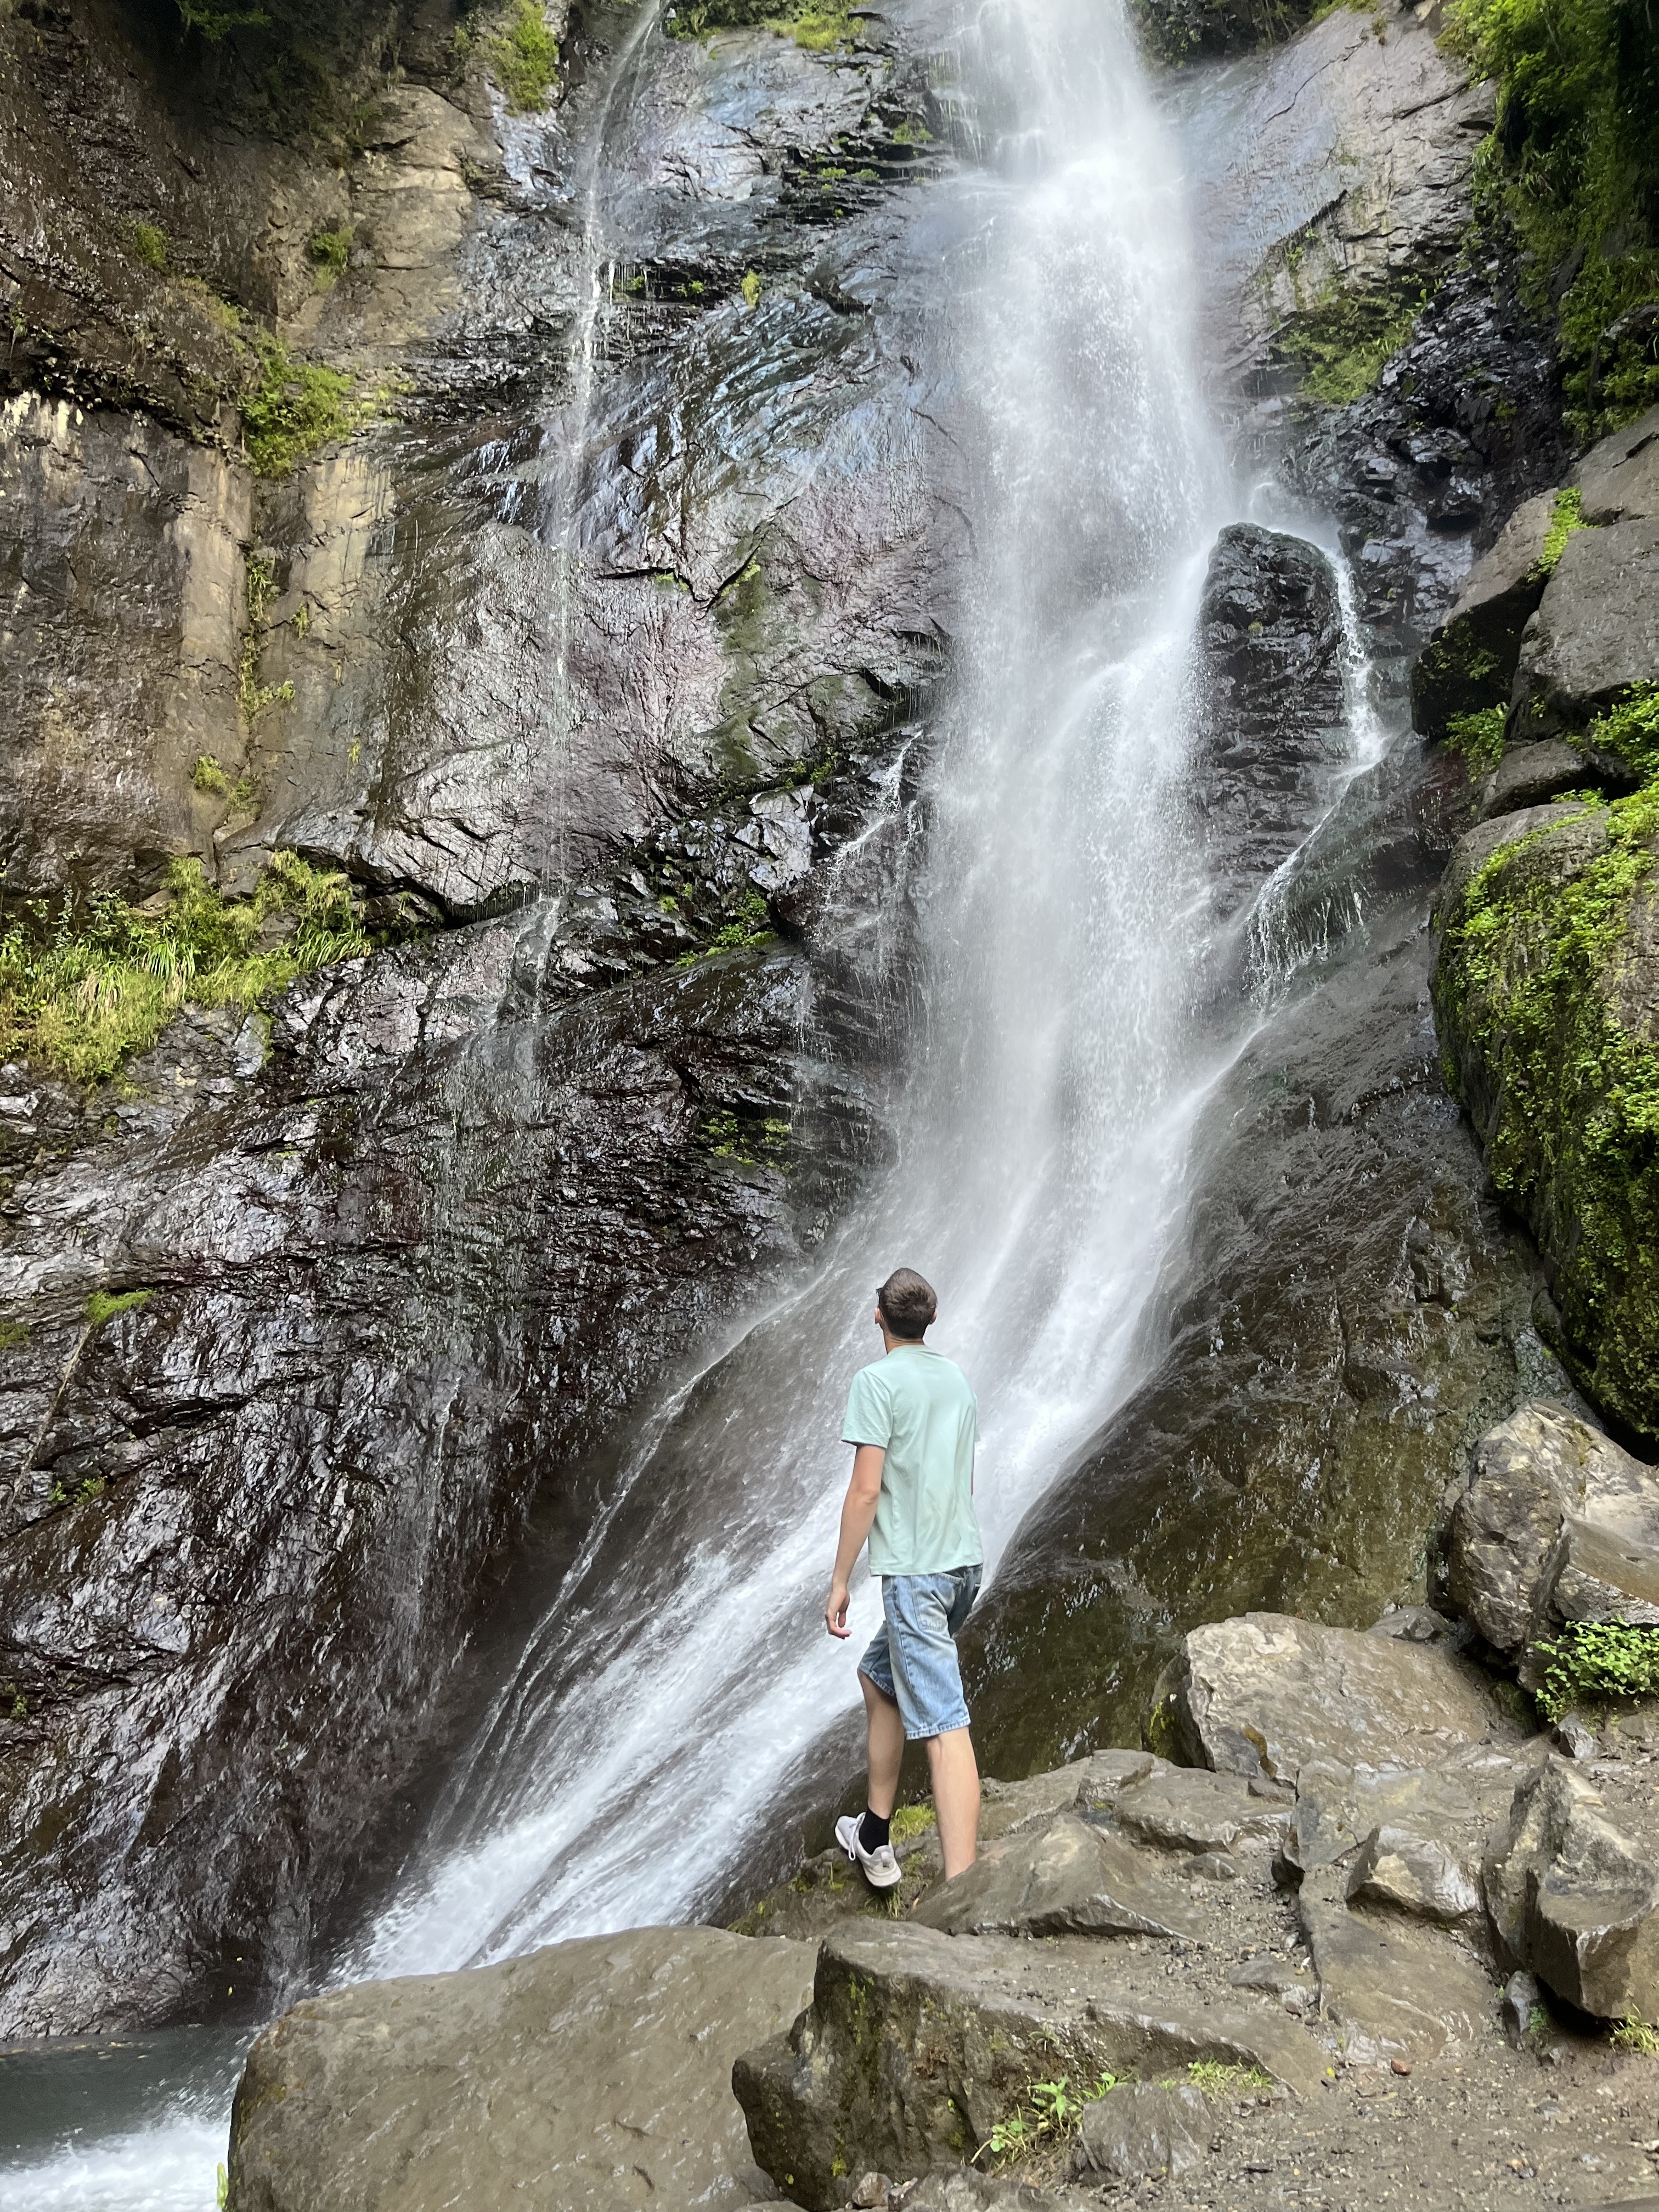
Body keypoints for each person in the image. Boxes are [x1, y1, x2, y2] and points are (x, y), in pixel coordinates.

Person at [823, 1266, 983, 1890]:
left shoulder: (876, 1382)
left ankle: (965, 1888)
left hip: (917, 1576)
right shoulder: (958, 1381)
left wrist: (840, 1580)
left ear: (878, 1318)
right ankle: (873, 1834)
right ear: (931, 1321)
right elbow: (963, 1481)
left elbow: (866, 1491)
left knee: (945, 1728)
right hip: (962, 1567)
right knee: (879, 1677)